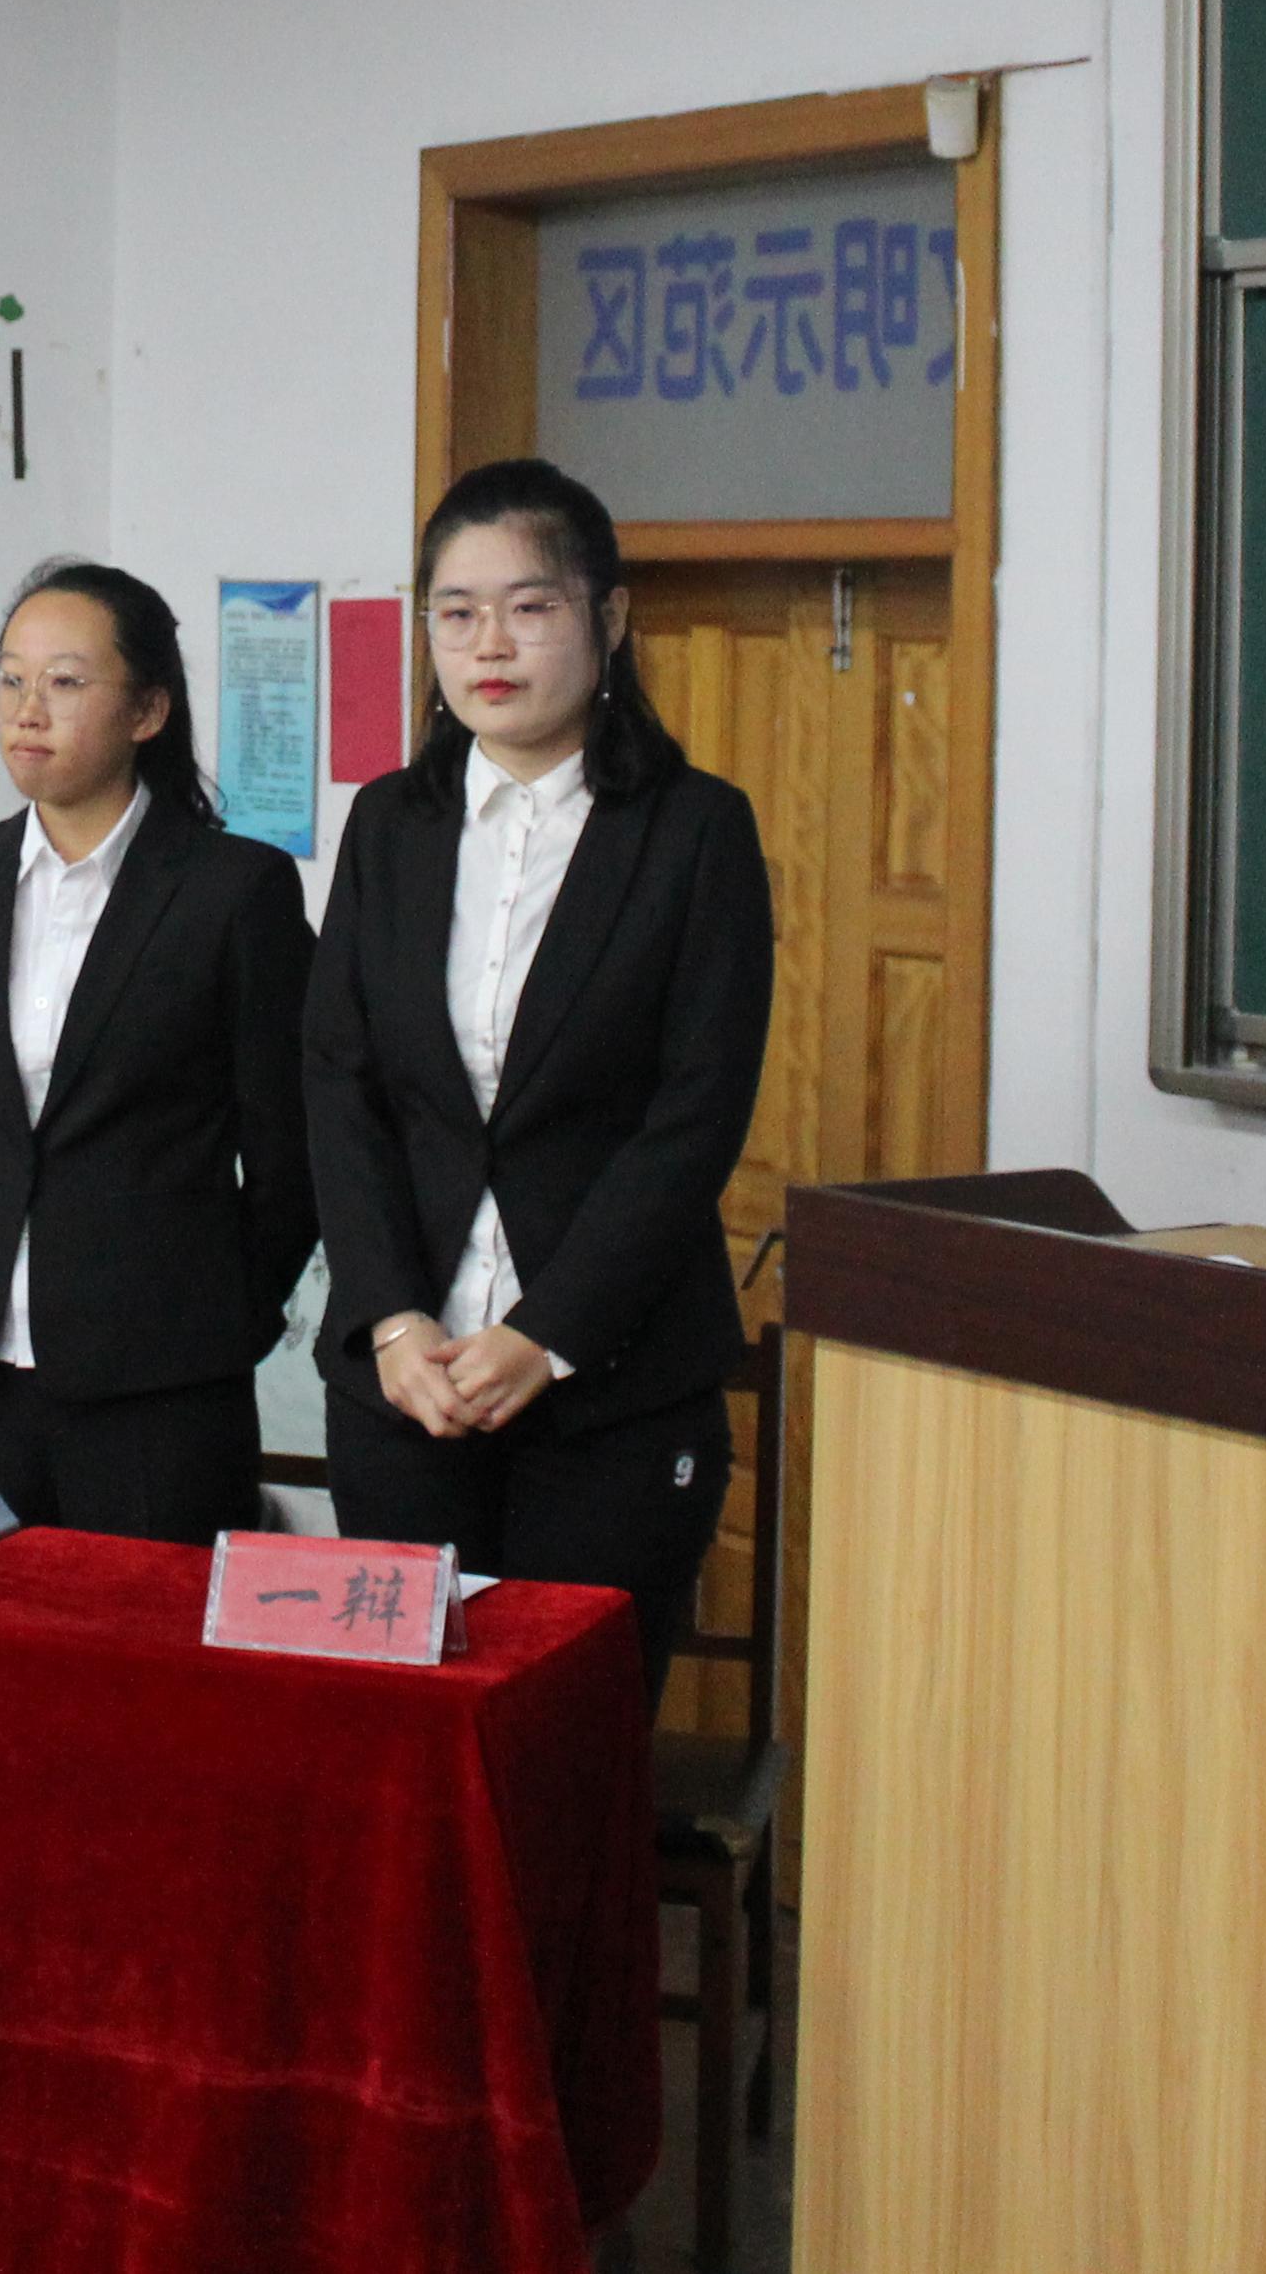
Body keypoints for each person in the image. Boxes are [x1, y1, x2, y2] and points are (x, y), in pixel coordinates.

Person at [304, 457, 773, 1692]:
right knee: (405, 1741)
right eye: (455, 613)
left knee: (571, 1738)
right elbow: (340, 1085)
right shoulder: (388, 825)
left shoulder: (693, 831)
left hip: (611, 1394)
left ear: (608, 618)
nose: (489, 645)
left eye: (529, 606)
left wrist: (546, 1334)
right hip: (406, 1388)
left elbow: (694, 1114)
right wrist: (391, 1318)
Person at [0, 562, 315, 1543]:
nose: (27, 708)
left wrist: (219, 1317)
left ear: (148, 710)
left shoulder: (233, 890)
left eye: (65, 681)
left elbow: (293, 1151)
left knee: (144, 1636)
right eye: (11, 678)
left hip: (159, 1385)